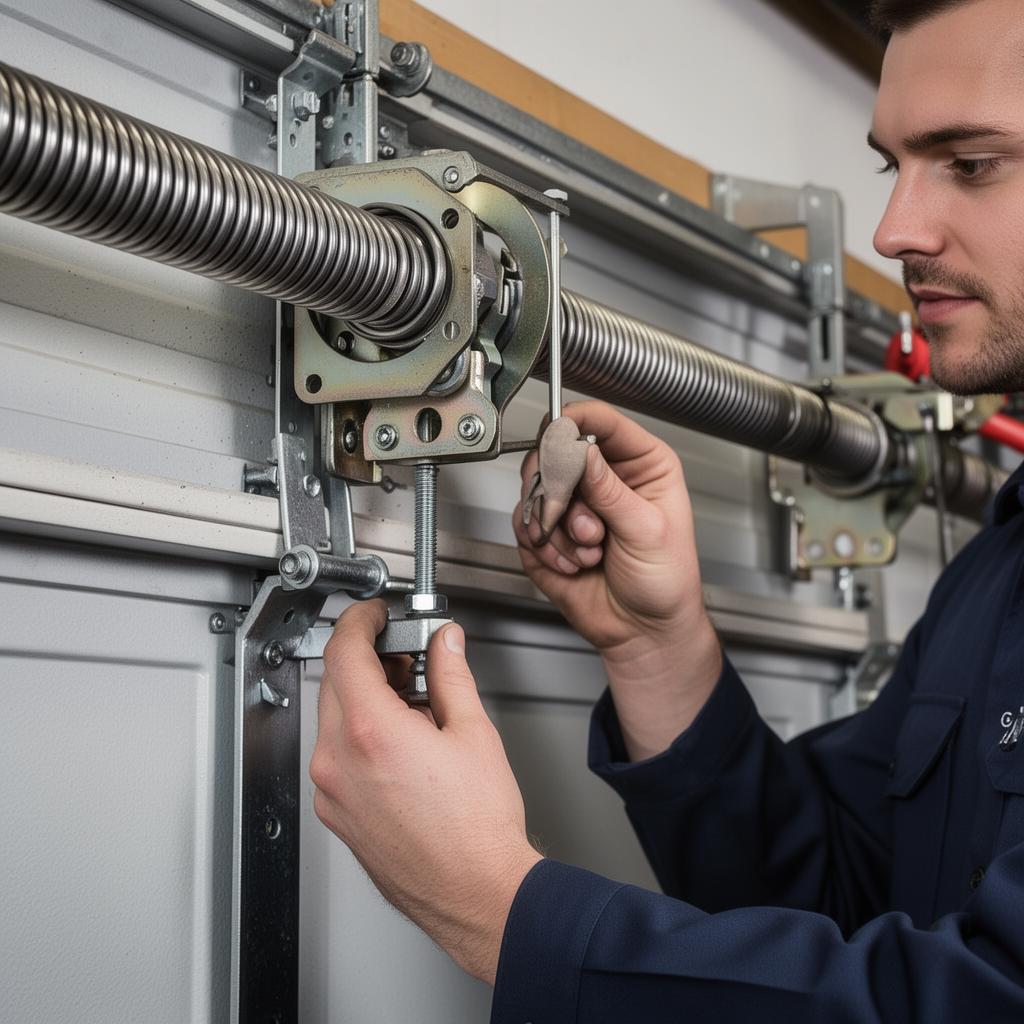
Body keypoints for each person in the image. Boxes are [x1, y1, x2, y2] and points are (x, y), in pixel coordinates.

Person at [309, 0, 1024, 1018]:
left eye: (970, 162)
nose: (894, 229)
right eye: (891, 167)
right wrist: (662, 654)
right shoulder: (993, 575)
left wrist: (503, 914)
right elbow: (842, 898)